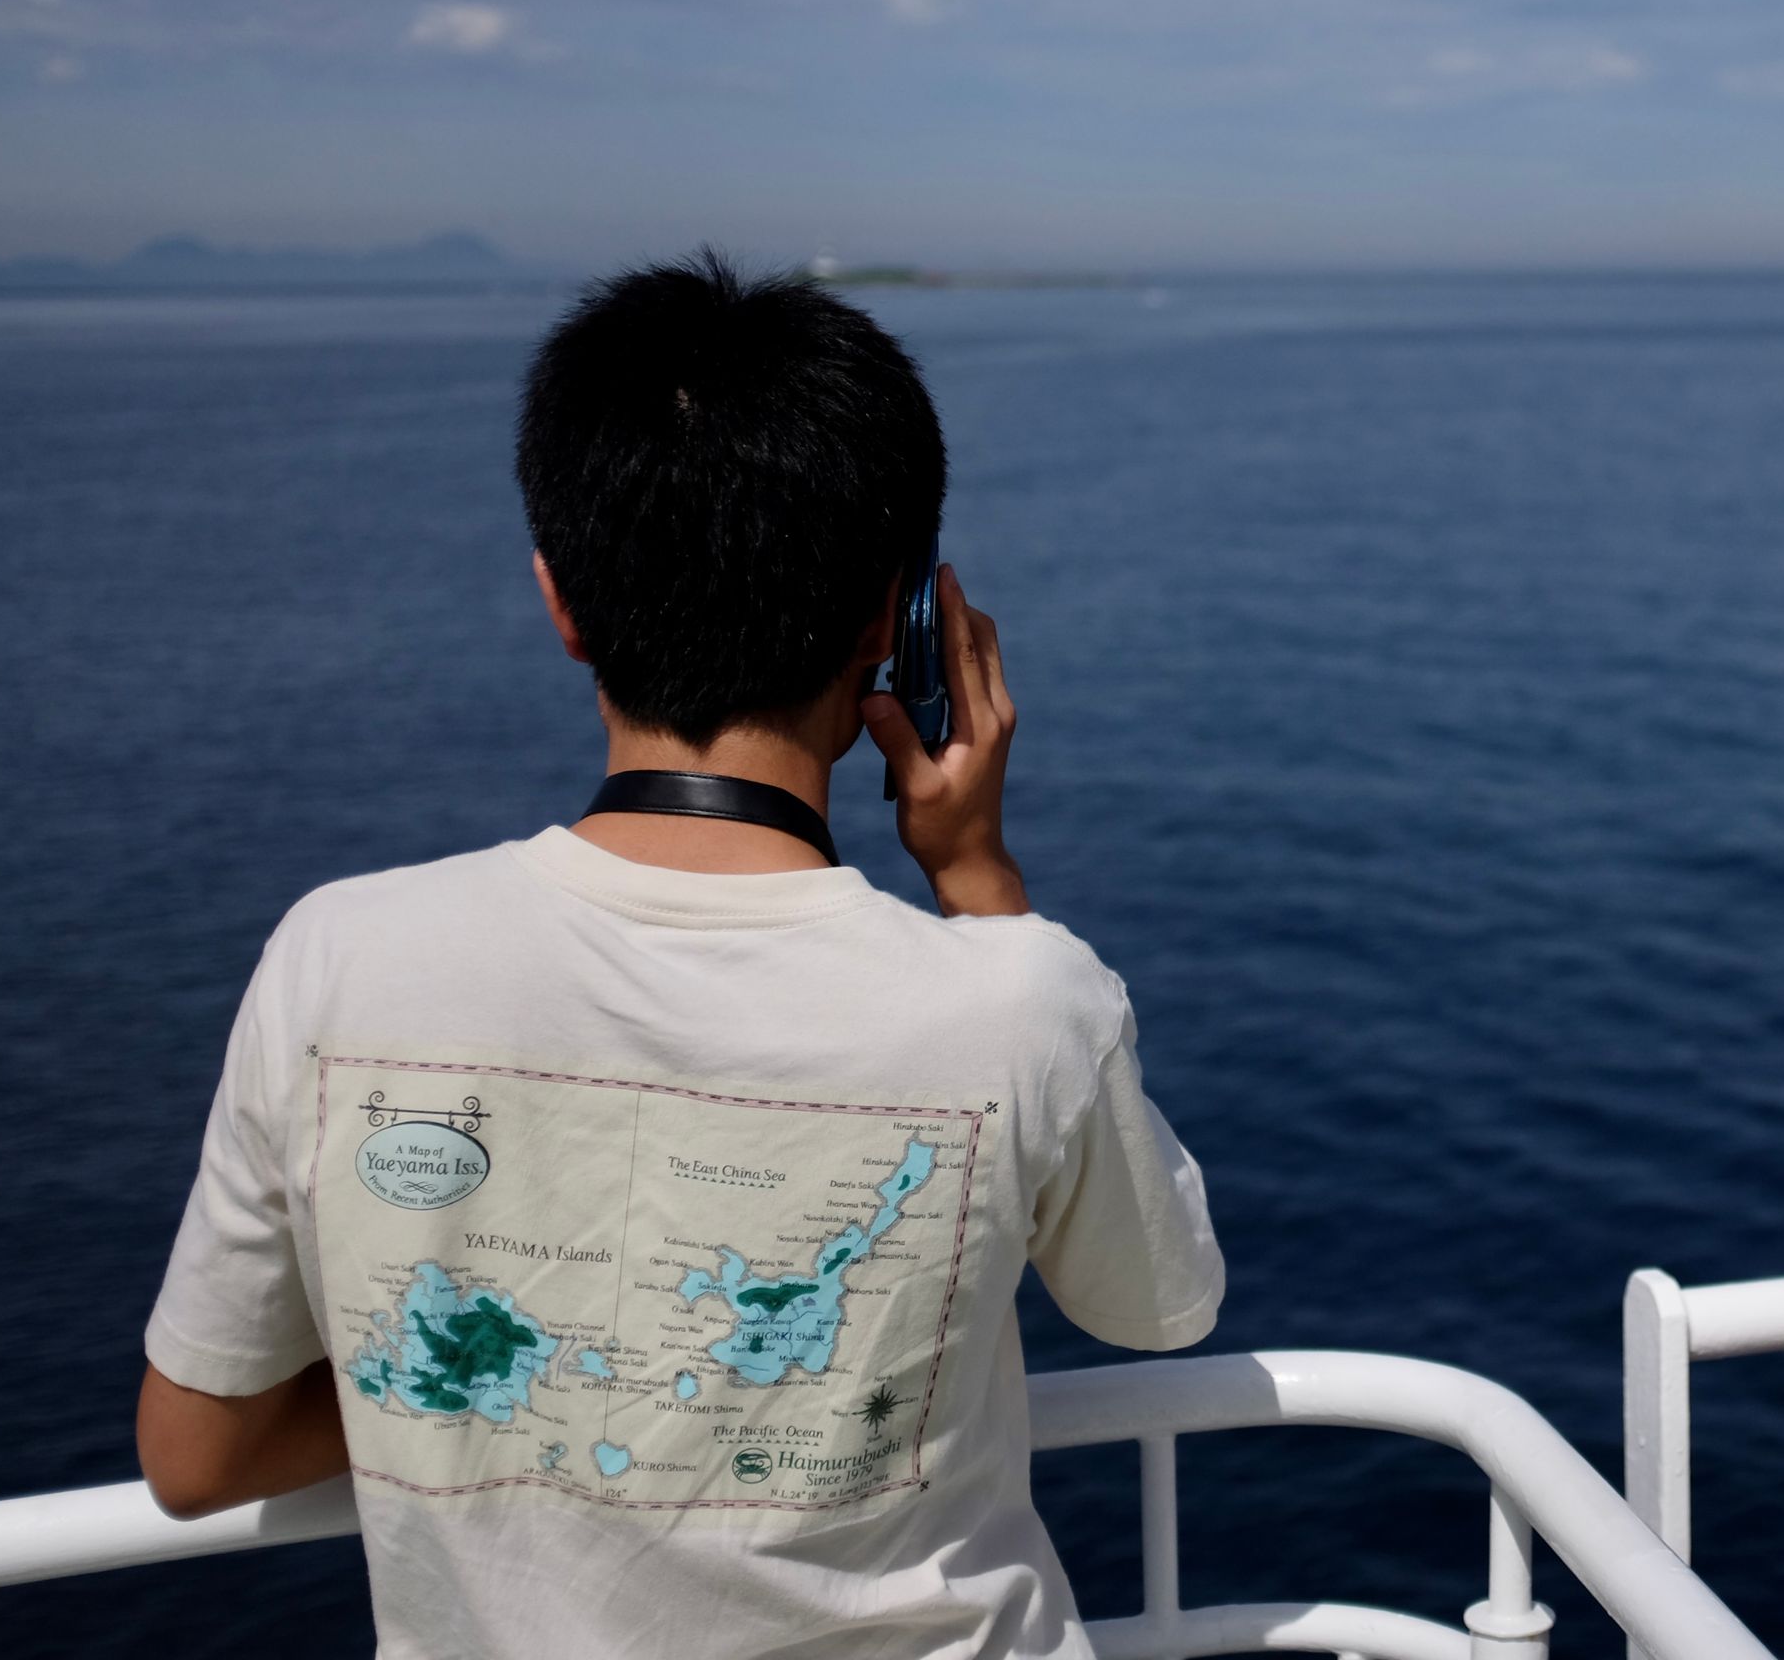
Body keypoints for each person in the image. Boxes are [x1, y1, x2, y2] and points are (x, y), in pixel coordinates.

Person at [135, 252, 1222, 1660]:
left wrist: (514, 1396)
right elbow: (1161, 1306)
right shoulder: (1017, 995)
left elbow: (195, 1453)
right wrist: (976, 876)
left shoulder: (338, 959)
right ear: (889, 627)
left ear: (562, 600)